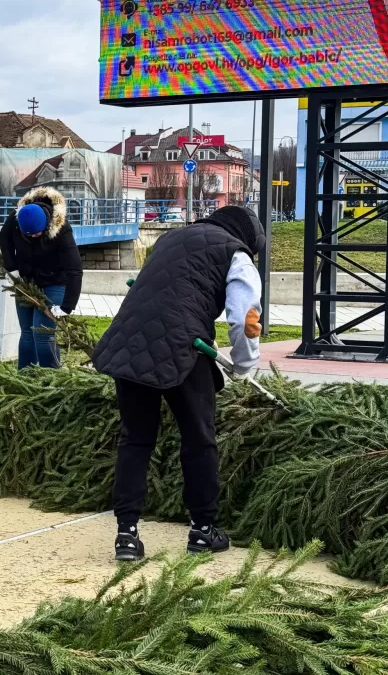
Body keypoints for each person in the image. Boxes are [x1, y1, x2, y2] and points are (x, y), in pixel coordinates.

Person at [92, 205, 265, 561]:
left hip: (130, 342)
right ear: (249, 239)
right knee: (199, 439)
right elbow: (244, 318)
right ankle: (203, 530)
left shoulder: (171, 239)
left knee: (135, 439)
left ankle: (126, 535)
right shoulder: (237, 255)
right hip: (183, 350)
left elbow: (169, 293)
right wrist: (245, 364)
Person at [0, 186, 84, 369]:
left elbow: (75, 269)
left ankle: (50, 380)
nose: (33, 237)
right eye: (27, 235)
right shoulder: (16, 218)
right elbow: (4, 238)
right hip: (25, 281)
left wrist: (68, 305)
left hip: (54, 283)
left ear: (45, 224)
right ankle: (25, 379)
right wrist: (11, 267)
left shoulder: (62, 230)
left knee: (43, 334)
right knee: (27, 333)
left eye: (36, 233)